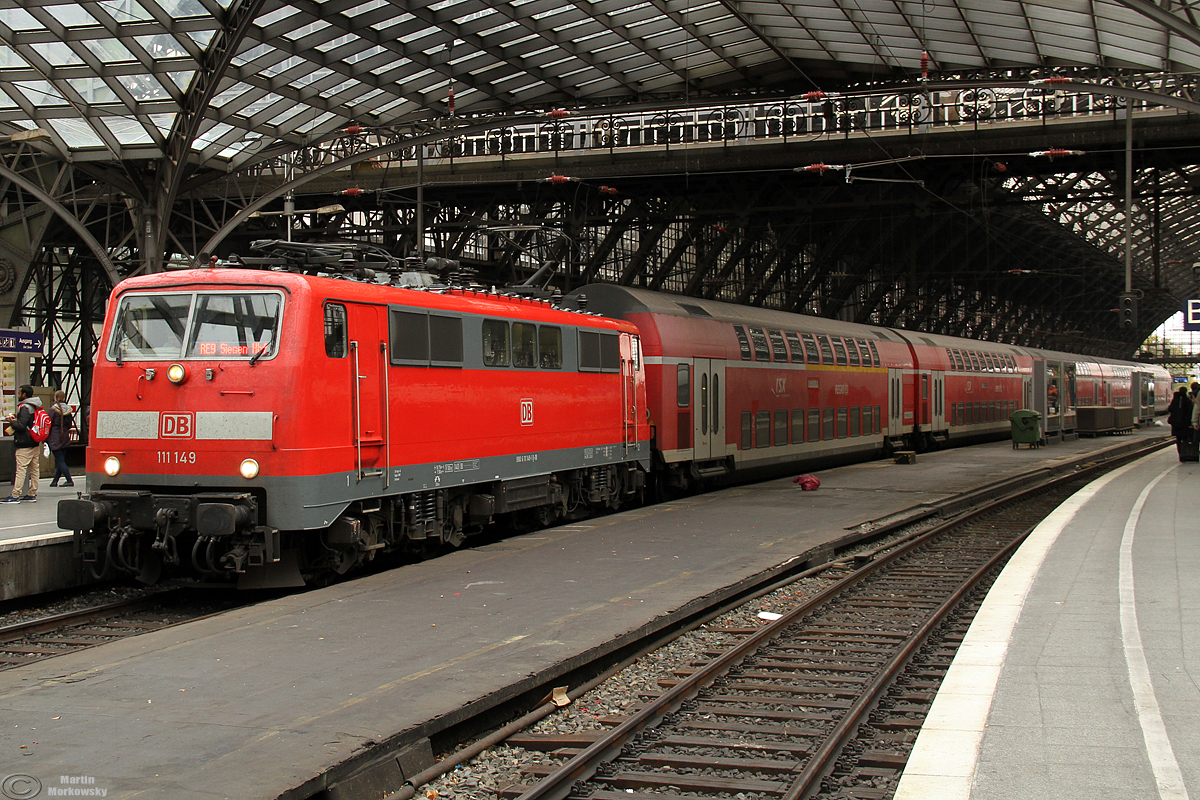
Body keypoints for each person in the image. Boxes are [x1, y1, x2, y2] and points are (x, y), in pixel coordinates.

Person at [3, 385, 43, 503]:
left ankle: (15, 495)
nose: (18, 395)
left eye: (20, 393)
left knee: (21, 470)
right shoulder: (36, 405)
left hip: (24, 443)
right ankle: (32, 493)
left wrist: (12, 422)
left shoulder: (25, 407)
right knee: (34, 469)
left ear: (24, 394)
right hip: (34, 442)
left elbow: (21, 426)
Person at [48, 389, 74, 487]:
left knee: (60, 461)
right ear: (64, 398)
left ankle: (69, 480)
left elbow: (48, 423)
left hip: (55, 437)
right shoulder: (68, 409)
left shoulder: (52, 410)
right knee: (61, 460)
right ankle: (55, 481)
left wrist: (45, 439)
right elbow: (69, 425)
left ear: (55, 398)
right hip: (65, 437)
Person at [1168, 384, 1193, 456]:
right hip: (1185, 423)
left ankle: (1180, 452)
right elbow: (1190, 412)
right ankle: (1184, 452)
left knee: (1178, 438)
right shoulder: (1187, 400)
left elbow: (1170, 409)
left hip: (1175, 423)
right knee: (1185, 438)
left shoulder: (1175, 399)